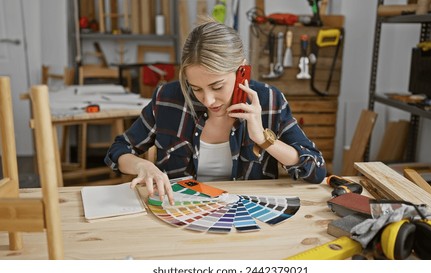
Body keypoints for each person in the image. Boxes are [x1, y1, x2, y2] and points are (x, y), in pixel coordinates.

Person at [105, 19, 326, 205]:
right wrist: (142, 165)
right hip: (179, 214)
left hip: (248, 217)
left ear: (242, 70)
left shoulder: (269, 100)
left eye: (217, 86)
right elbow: (118, 150)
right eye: (196, 88)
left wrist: (263, 139)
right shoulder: (167, 98)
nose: (208, 100)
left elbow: (316, 170)